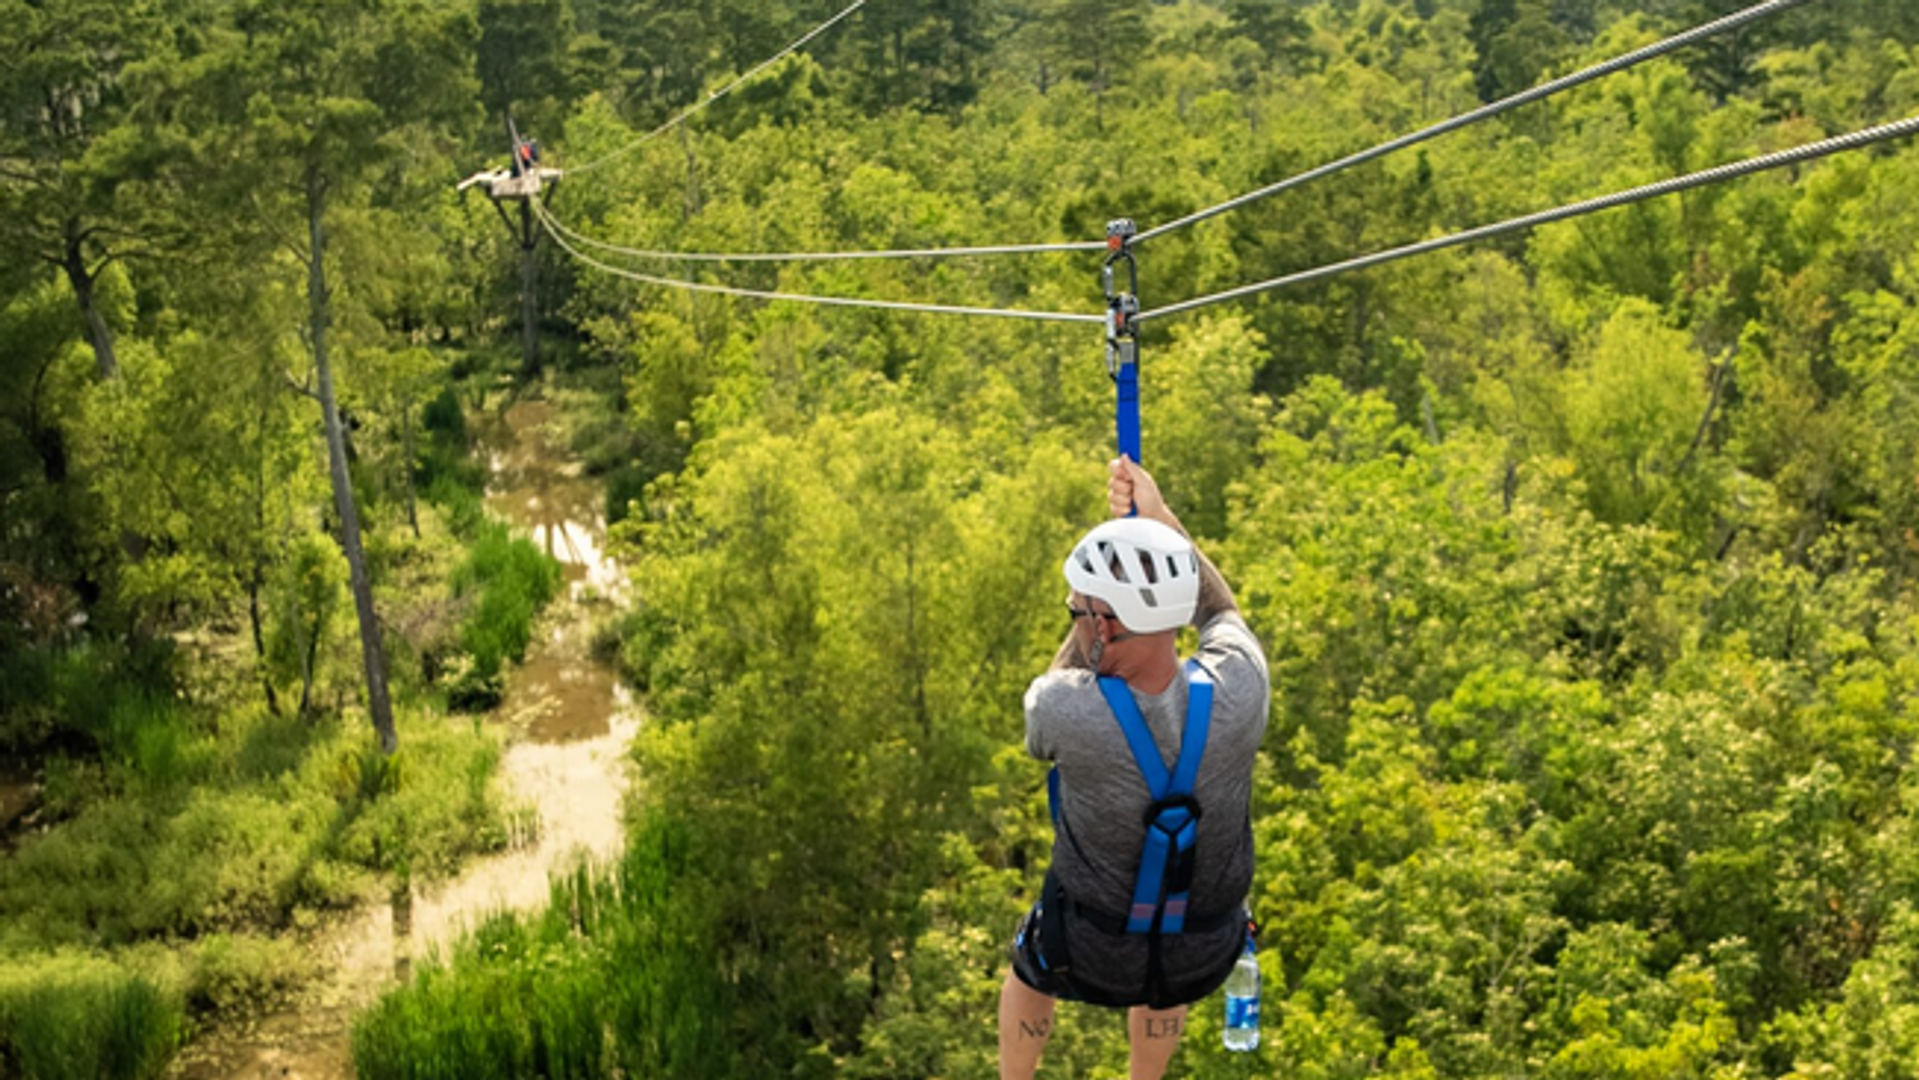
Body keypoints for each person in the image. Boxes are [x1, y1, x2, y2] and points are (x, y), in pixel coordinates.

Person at [999, 455, 1270, 1080]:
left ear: (1103, 623)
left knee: (1027, 963)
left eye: (1078, 610)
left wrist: (1095, 612)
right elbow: (1220, 611)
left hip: (1087, 949)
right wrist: (1161, 526)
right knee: (1173, 933)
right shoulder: (1242, 688)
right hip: (1205, 950)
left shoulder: (1065, 710)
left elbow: (1053, 693)